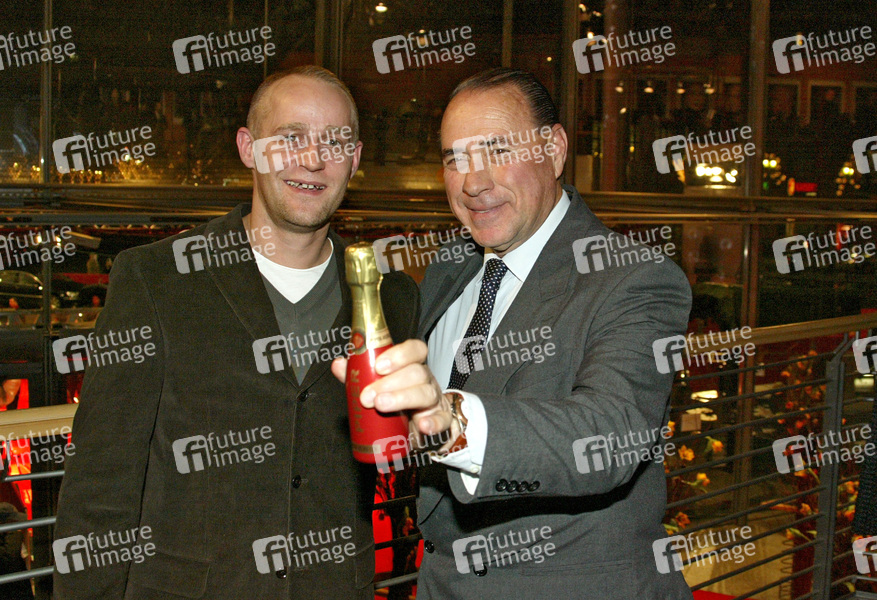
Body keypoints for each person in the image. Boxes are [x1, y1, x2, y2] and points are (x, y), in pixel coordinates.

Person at [54, 66, 419, 599]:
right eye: (290, 137)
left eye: (335, 141)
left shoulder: (391, 300)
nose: (313, 159)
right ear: (249, 148)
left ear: (355, 158)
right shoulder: (157, 280)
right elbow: (99, 486)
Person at [332, 68, 693, 597]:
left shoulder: (634, 277)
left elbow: (610, 433)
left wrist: (451, 422)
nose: (472, 182)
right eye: (455, 158)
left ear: (555, 149)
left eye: (497, 150)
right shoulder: (451, 267)